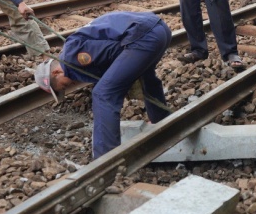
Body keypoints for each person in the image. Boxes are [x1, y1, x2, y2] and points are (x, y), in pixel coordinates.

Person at [34, 12, 172, 158]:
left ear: (56, 72)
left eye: (63, 86)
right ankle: (162, 121)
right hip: (159, 30)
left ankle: (105, 159)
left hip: (145, 36)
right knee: (146, 77)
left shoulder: (73, 54)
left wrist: (122, 79)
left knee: (103, 94)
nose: (67, 88)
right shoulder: (73, 55)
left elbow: (115, 50)